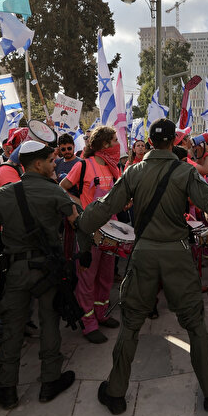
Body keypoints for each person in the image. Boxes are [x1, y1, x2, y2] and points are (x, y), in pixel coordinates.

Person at [80, 118, 208, 415]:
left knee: (131, 325)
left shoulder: (133, 171)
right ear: (174, 142)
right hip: (177, 256)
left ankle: (115, 392)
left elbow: (104, 207)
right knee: (194, 324)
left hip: (142, 255)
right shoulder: (184, 171)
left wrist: (82, 223)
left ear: (151, 142)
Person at [0, 141, 82, 409]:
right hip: (47, 270)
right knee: (49, 321)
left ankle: (6, 387)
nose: (55, 165)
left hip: (14, 269)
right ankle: (50, 380)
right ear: (37, 164)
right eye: (51, 161)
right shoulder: (55, 193)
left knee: (13, 326)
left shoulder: (2, 194)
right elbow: (78, 223)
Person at [60, 126, 122, 343]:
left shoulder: (114, 168)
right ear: (105, 144)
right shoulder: (84, 165)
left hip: (111, 230)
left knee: (106, 275)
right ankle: (88, 323)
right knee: (87, 277)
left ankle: (101, 312)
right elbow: (63, 187)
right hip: (90, 231)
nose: (118, 144)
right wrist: (80, 207)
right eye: (115, 140)